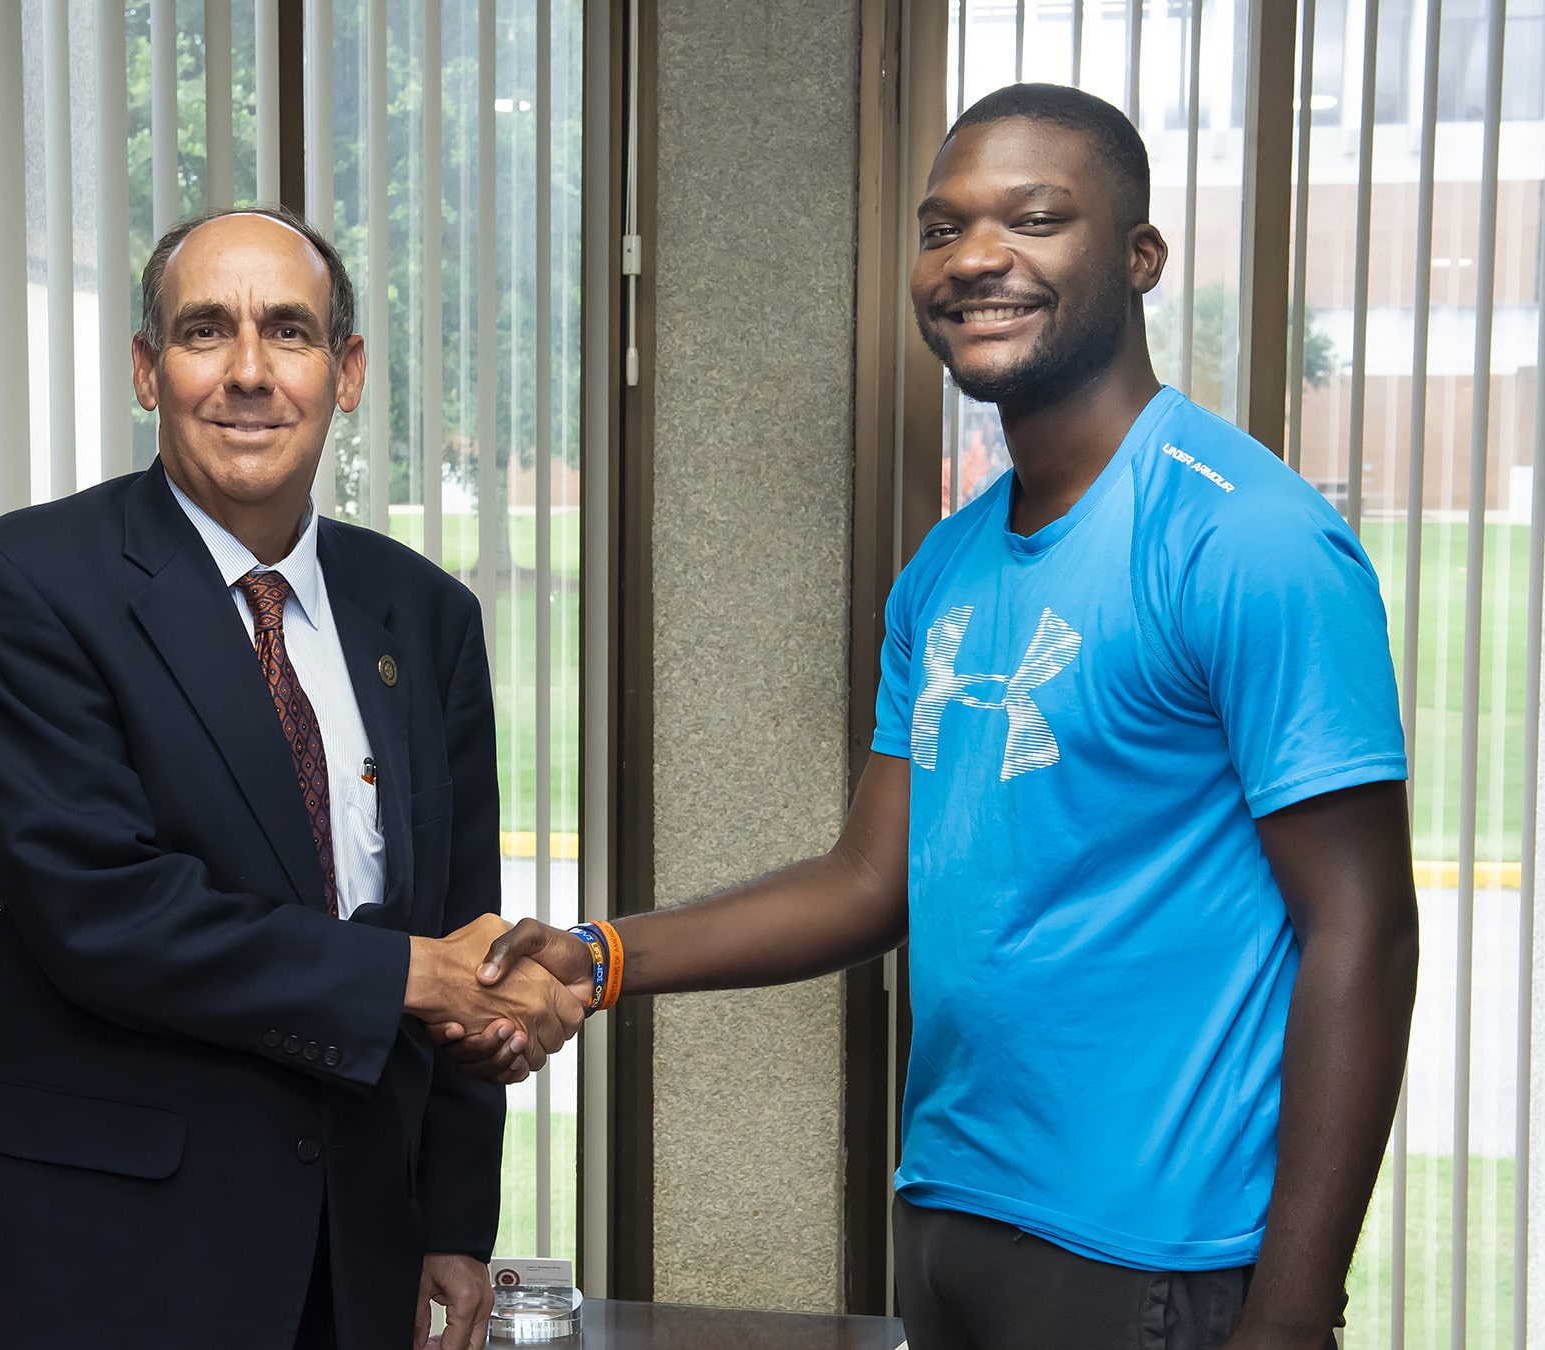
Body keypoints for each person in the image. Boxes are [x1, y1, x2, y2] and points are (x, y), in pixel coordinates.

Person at [447, 85, 1420, 1350]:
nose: (973, 259)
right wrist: (602, 953)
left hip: (1160, 1259)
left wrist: (1295, 1312)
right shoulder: (947, 570)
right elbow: (871, 879)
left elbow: (1366, 931)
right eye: (941, 227)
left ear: (1140, 258)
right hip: (953, 1220)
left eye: (1035, 218)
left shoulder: (1247, 536)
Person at [0, 205, 583, 1350]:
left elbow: (458, 931)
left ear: (347, 372)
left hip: (355, 1255)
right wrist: (414, 981)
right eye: (202, 333)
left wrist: (457, 1216)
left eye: (288, 332)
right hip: (102, 1256)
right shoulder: (21, 585)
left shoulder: (424, 616)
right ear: (146, 369)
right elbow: (104, 912)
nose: (247, 373)